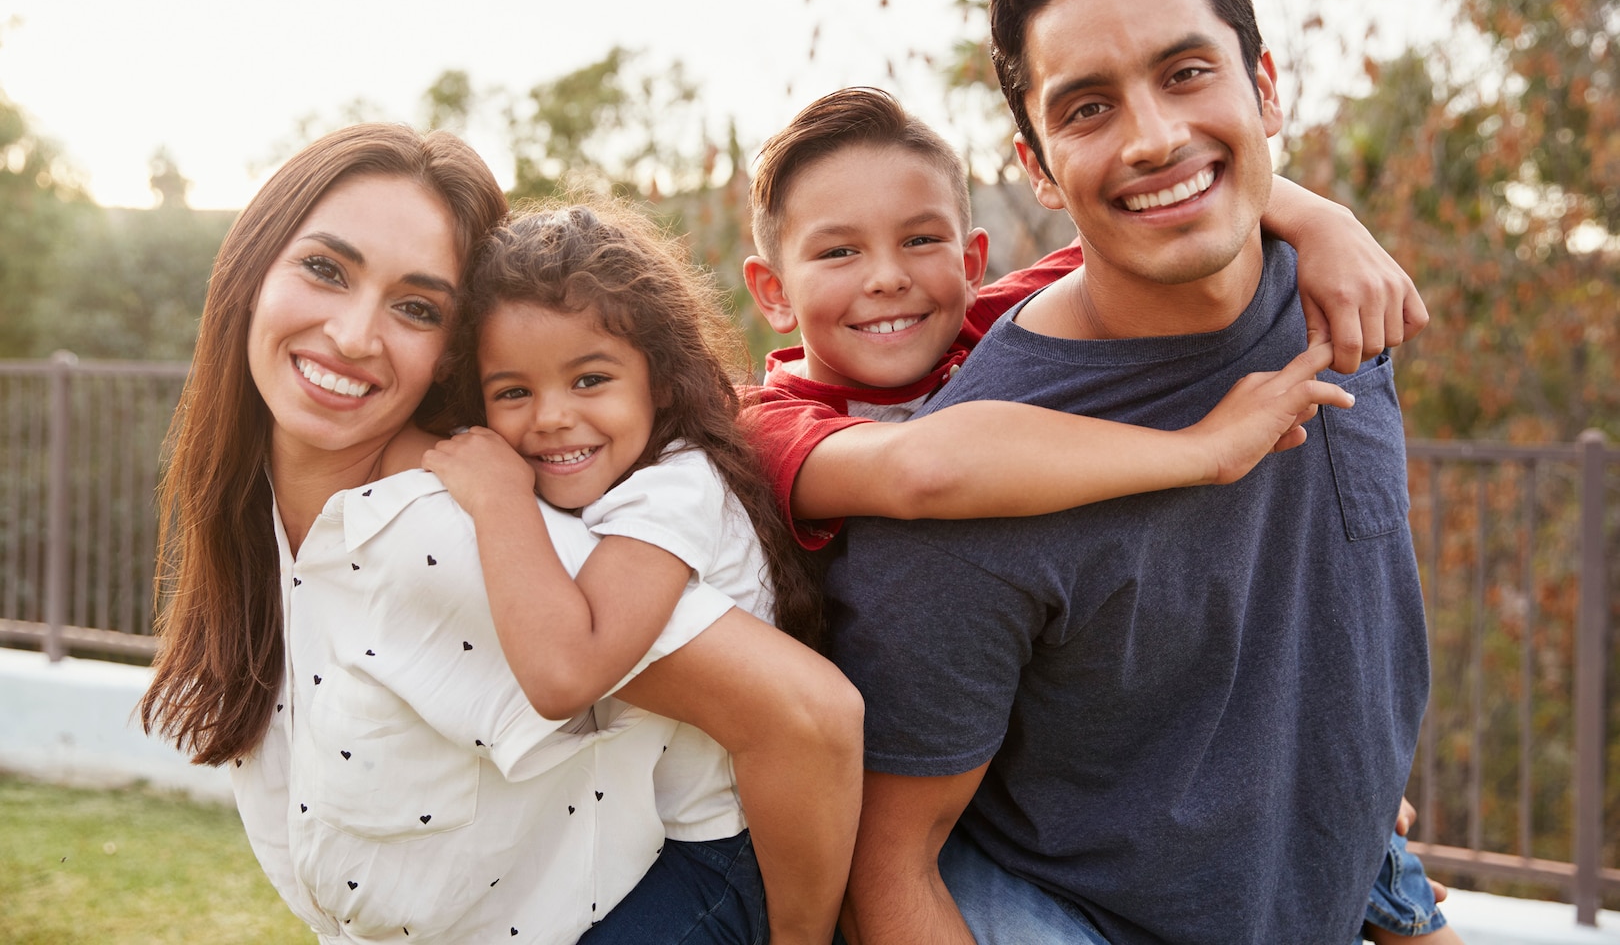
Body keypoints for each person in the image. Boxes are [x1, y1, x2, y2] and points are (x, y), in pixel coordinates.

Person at [821, 0, 1434, 944]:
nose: (1155, 138)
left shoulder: (1344, 300)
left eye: (1188, 73)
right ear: (1037, 166)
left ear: (1267, 88)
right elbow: (889, 873)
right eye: (1089, 108)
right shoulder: (977, 485)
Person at [137, 124, 860, 944]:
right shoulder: (267, 511)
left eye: (416, 307)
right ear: (250, 270)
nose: (352, 335)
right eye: (325, 269)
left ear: (449, 354)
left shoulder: (453, 532)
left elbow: (806, 717)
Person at [422, 201, 855, 945]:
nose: (552, 417)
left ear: (658, 381)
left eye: (589, 380)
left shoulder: (674, 488)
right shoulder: (612, 483)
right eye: (514, 392)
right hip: (649, 841)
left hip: (725, 855)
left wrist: (498, 501)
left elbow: (569, 672)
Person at [739, 86, 1419, 551]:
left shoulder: (989, 322)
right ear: (774, 293)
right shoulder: (762, 426)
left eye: (920, 240)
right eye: (838, 252)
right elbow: (922, 470)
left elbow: (1157, 214)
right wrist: (1206, 450)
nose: (888, 277)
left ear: (973, 264)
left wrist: (1326, 223)